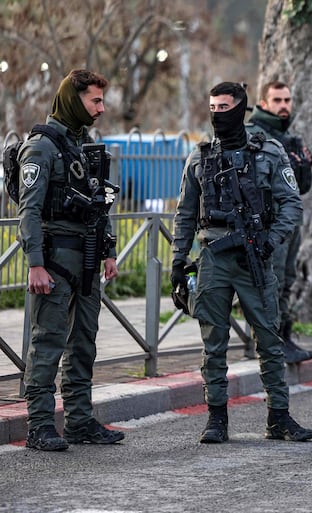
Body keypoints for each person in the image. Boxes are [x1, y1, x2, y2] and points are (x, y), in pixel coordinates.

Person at [171, 82, 312, 444]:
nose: (218, 113)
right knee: (213, 342)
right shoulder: (201, 155)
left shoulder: (268, 151)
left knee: (269, 337)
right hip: (213, 257)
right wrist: (177, 261)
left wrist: (271, 240)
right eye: (213, 107)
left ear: (241, 108)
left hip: (255, 256)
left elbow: (291, 204)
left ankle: (278, 417)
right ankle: (216, 419)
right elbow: (185, 213)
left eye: (225, 107)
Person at [18, 69, 124, 451]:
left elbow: (100, 202)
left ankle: (79, 422)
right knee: (47, 343)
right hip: (55, 259)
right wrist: (34, 263)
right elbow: (28, 211)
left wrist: (109, 250)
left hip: (89, 259)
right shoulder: (41, 147)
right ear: (72, 98)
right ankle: (40, 426)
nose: (101, 108)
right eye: (95, 100)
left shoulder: (84, 146)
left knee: (84, 343)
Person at [245, 80, 312, 364]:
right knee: (269, 283)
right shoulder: (255, 135)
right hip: (268, 224)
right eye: (277, 101)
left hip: (289, 223)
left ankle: (283, 338)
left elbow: (302, 186)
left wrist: (303, 164)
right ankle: (267, 343)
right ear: (263, 104)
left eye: (287, 100)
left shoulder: (288, 138)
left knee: (286, 281)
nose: (284, 106)